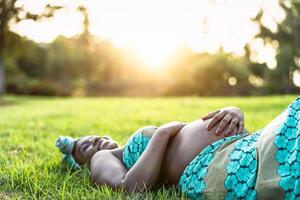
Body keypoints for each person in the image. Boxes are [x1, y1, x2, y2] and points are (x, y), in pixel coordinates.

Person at [55, 97, 300, 200]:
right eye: (84, 146)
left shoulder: (135, 148)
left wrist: (234, 111)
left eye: (94, 137)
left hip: (245, 143)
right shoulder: (104, 157)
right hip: (214, 166)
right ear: (82, 163)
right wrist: (162, 133)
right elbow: (131, 189)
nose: (95, 142)